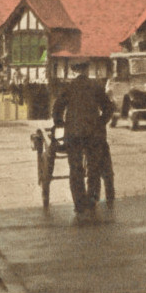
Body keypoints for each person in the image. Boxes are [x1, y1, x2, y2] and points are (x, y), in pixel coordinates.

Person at [52, 60, 115, 217]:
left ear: (74, 71)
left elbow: (57, 108)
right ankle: (92, 199)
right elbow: (108, 108)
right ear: (87, 70)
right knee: (94, 167)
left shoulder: (68, 87)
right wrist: (101, 122)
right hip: (93, 133)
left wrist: (60, 122)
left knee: (75, 168)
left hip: (73, 134)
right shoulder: (95, 86)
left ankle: (79, 204)